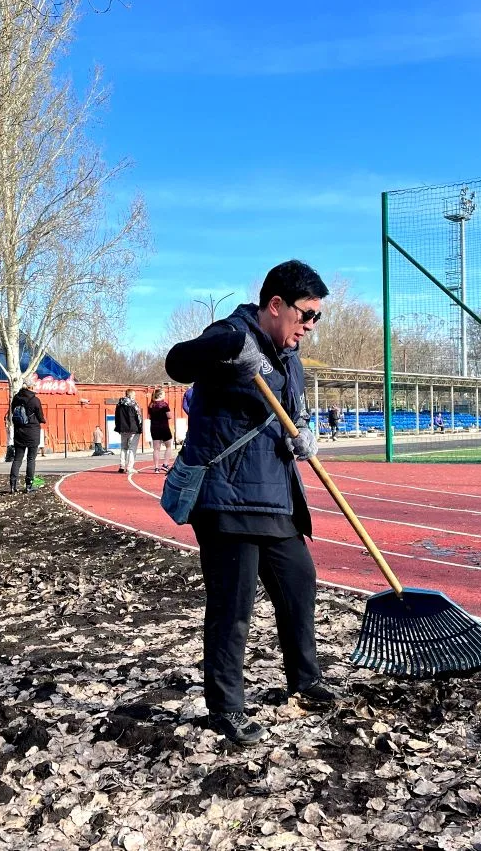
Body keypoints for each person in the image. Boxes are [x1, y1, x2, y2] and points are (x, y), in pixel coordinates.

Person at [165, 259, 335, 747]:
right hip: (227, 499)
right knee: (233, 607)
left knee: (299, 584)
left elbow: (292, 412)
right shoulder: (229, 334)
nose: (310, 326)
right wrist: (230, 349)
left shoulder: (290, 357)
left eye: (317, 317)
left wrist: (305, 433)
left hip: (277, 497)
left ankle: (305, 680)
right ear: (275, 305)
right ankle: (226, 708)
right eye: (305, 314)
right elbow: (177, 362)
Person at [9, 381, 46, 493]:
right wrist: (42, 420)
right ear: (31, 387)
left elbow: (12, 412)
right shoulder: (35, 400)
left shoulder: (16, 398)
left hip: (19, 432)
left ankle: (13, 485)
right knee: (31, 459)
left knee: (17, 459)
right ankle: (29, 485)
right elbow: (40, 416)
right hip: (32, 433)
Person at [114, 389, 142, 474]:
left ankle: (122, 466)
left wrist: (118, 427)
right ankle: (130, 467)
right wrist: (140, 427)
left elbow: (116, 417)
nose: (135, 396)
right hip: (133, 429)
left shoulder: (119, 404)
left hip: (123, 429)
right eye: (134, 395)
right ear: (131, 395)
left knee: (123, 448)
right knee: (132, 449)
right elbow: (138, 417)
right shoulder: (134, 404)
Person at [149, 387, 174, 473]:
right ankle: (165, 464)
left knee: (156, 449)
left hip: (154, 427)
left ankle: (156, 467)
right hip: (164, 427)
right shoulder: (164, 405)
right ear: (160, 395)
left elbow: (149, 417)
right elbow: (169, 416)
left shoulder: (151, 405)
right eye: (163, 394)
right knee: (168, 446)